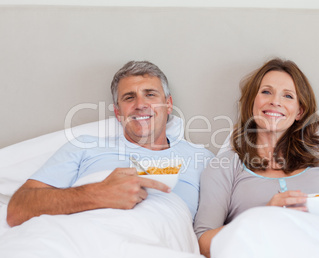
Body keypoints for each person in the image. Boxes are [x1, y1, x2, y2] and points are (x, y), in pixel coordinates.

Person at [193, 58, 319, 258]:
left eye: (288, 96)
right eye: (266, 92)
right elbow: (204, 242)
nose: (275, 101)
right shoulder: (224, 166)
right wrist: (265, 216)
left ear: (299, 112)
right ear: (251, 103)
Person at [7, 60, 214, 227]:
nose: (140, 105)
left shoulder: (201, 159)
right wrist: (95, 194)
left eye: (150, 94)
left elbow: (219, 225)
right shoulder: (85, 147)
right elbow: (17, 209)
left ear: (168, 104)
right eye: (129, 98)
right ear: (117, 112)